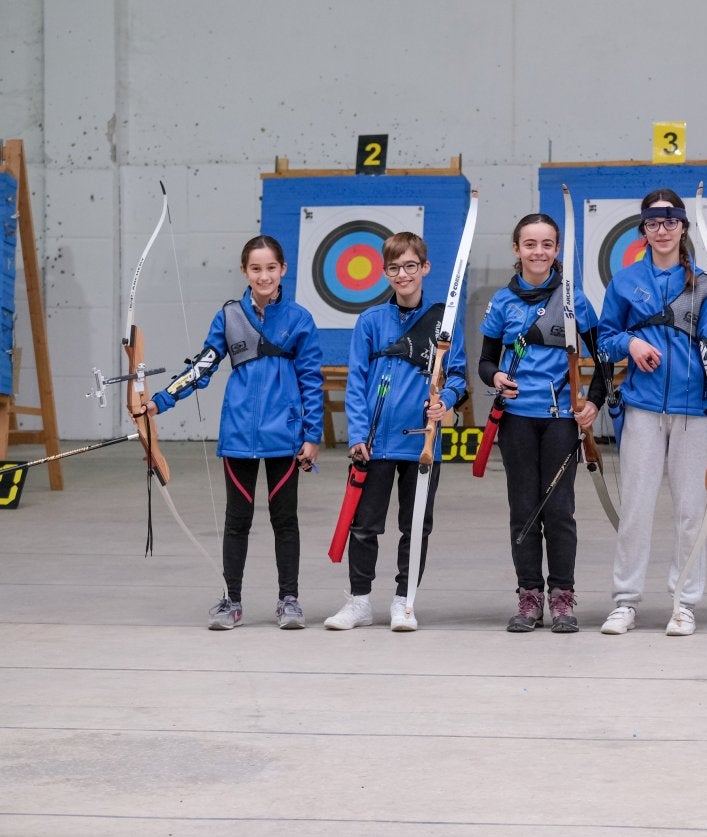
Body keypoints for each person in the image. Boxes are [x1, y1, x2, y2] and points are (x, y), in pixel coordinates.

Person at [140, 235, 323, 630]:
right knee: (236, 521)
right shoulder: (228, 317)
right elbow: (202, 366)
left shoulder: (299, 319)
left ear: (283, 270)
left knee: (284, 520)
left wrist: (312, 435)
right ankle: (232, 601)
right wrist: (159, 401)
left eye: (270, 268)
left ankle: (289, 600)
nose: (263, 276)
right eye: (255, 269)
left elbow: (311, 380)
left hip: (285, 437)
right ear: (244, 271)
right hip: (239, 436)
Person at [595, 189, 707, 636]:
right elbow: (604, 338)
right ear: (643, 230)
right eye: (653, 223)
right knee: (636, 506)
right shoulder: (624, 281)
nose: (662, 231)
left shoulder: (706, 286)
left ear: (683, 227)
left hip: (695, 409)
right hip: (642, 407)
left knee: (692, 509)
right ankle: (625, 600)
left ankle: (684, 602)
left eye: (670, 222)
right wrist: (630, 344)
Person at [324, 231, 468, 632]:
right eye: (394, 268)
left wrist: (448, 400)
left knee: (416, 525)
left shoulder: (445, 320)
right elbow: (357, 383)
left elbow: (457, 374)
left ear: (425, 268)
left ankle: (405, 602)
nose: (402, 275)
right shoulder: (370, 321)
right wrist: (356, 435)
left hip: (421, 442)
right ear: (385, 272)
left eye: (410, 266)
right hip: (374, 444)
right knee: (364, 525)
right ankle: (359, 602)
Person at [478, 213, 612, 633]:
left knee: (558, 510)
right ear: (517, 250)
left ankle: (562, 596)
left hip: (559, 423)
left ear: (557, 250)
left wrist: (593, 402)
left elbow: (603, 357)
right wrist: (496, 377)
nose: (539, 252)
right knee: (523, 509)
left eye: (547, 244)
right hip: (517, 421)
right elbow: (484, 361)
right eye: (530, 244)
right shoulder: (502, 301)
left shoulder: (574, 299)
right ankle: (529, 595)